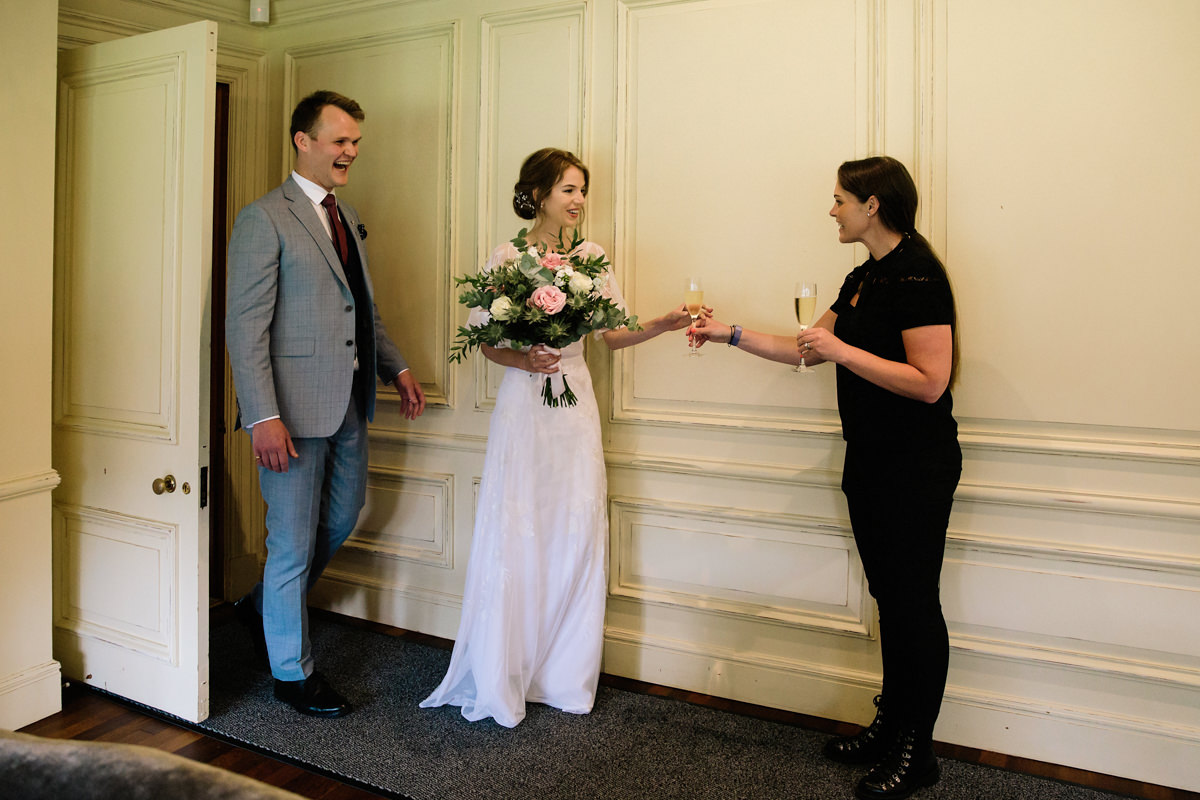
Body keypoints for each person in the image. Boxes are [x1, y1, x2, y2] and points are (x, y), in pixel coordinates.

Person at [690, 156, 960, 800]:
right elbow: (806, 347)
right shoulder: (864, 275)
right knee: (889, 601)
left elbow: (930, 384)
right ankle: (891, 726)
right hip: (868, 458)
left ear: (873, 205)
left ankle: (917, 752)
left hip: (915, 465)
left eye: (840, 199)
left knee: (913, 607)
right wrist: (728, 332)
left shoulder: (918, 273)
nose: (831, 209)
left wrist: (840, 351)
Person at [421, 148, 704, 727]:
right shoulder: (508, 257)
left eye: (582, 190)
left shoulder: (593, 258)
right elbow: (487, 342)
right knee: (520, 523)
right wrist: (527, 358)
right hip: (526, 404)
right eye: (568, 189)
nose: (577, 201)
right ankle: (508, 669)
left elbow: (613, 336)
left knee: (573, 525)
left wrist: (664, 323)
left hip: (574, 405)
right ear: (540, 193)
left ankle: (562, 676)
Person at [225, 90, 426, 718]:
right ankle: (291, 672)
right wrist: (262, 416)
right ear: (302, 140)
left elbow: (359, 310)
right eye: (340, 141)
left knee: (339, 520)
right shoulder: (264, 217)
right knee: (290, 542)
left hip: (348, 406)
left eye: (355, 143)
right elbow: (245, 327)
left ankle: (260, 613)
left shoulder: (346, 214)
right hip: (287, 415)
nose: (350, 153)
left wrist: (398, 366)